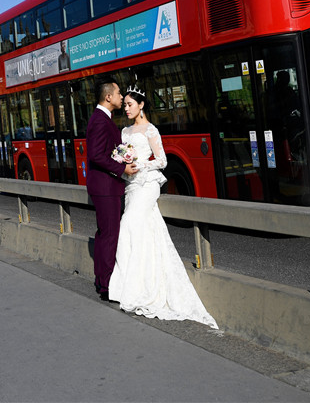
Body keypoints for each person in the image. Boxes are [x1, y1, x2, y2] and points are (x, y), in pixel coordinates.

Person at [108, 86, 218, 327]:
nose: (126, 108)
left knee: (128, 225)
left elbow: (162, 160)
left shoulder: (150, 130)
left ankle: (138, 287)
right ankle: (130, 285)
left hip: (147, 184)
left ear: (141, 105)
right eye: (124, 104)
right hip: (131, 185)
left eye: (130, 104)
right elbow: (119, 154)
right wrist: (123, 160)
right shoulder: (124, 130)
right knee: (139, 231)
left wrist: (140, 165)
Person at [86, 80, 138, 300]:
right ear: (108, 97)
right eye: (118, 93)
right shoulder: (100, 120)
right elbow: (96, 156)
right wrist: (122, 168)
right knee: (109, 236)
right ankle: (107, 285)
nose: (120, 97)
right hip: (106, 188)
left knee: (103, 235)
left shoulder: (101, 118)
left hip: (105, 187)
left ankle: (102, 281)